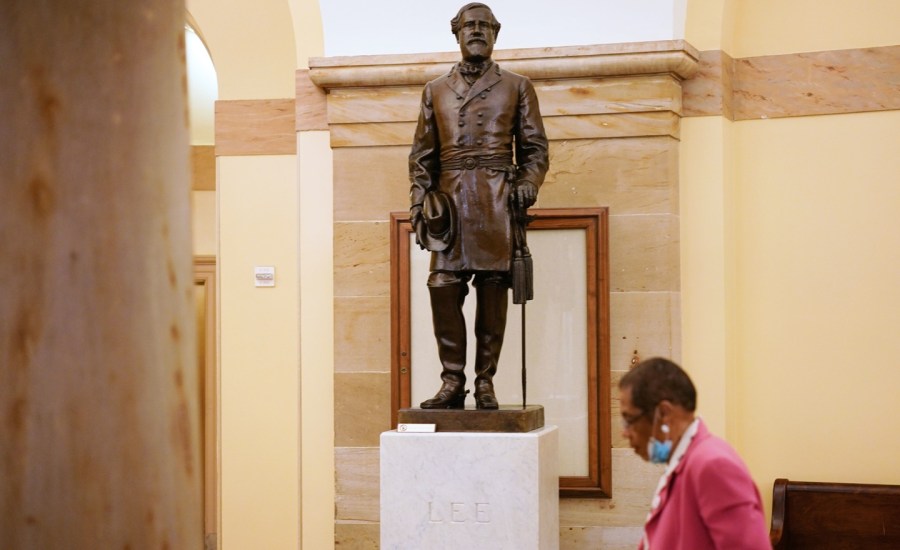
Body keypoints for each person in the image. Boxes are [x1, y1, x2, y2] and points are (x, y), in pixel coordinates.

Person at [408, 3, 549, 410]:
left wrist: (527, 181)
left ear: (495, 33)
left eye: (485, 26)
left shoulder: (517, 85)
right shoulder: (435, 89)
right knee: (443, 286)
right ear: (456, 32)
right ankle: (452, 381)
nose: (477, 32)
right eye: (470, 25)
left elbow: (536, 148)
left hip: (495, 200)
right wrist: (419, 206)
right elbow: (421, 157)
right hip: (448, 204)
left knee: (492, 291)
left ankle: (485, 381)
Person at [618, 357, 771, 549]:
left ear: (664, 413)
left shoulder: (712, 464)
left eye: (629, 419)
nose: (624, 432)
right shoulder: (683, 462)